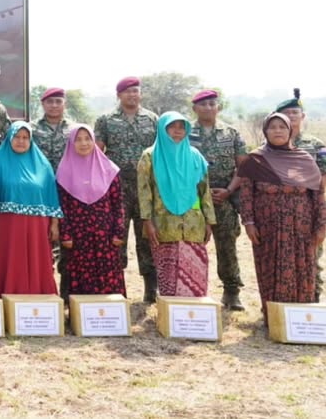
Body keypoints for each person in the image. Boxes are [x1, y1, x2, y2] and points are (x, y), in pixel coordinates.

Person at [236, 113, 326, 318]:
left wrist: (321, 226)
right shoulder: (255, 160)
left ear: (290, 131)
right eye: (273, 127)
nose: (277, 131)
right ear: (265, 131)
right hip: (267, 226)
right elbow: (246, 194)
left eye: (282, 127)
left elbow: (319, 196)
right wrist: (248, 222)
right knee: (269, 266)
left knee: (303, 266)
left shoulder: (305, 160)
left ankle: (300, 318)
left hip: (301, 226)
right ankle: (274, 316)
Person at [94, 76, 160, 302]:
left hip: (146, 188)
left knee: (148, 238)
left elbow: (160, 151)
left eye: (136, 91)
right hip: (117, 188)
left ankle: (151, 289)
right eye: (128, 91)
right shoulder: (106, 120)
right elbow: (98, 153)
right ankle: (115, 286)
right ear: (119, 95)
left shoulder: (153, 119)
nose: (132, 95)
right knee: (116, 237)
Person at [136, 112, 216, 298]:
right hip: (164, 224)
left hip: (193, 224)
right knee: (168, 273)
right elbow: (144, 192)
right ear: (162, 130)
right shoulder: (149, 156)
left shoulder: (195, 156)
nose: (178, 131)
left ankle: (194, 311)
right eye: (172, 127)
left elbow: (204, 191)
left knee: (194, 271)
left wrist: (209, 221)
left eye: (182, 127)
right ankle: (170, 311)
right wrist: (147, 222)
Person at [188, 89, 248, 310]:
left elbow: (243, 167)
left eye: (212, 104)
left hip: (223, 199)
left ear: (218, 107)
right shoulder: (184, 133)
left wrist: (229, 191)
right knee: (191, 245)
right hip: (192, 201)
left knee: (227, 247)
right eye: (203, 104)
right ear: (194, 108)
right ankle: (191, 290)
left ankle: (231, 292)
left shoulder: (231, 133)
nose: (208, 108)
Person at [0, 122, 62, 296]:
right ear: (9, 138)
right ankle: (9, 297)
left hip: (37, 226)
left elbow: (51, 196)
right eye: (17, 137)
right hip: (8, 226)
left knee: (38, 260)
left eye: (25, 138)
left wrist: (54, 224)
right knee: (12, 262)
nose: (21, 141)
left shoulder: (43, 165)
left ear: (31, 140)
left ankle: (39, 299)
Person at [55, 125, 125, 298]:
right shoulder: (63, 172)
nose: (83, 143)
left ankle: (109, 312)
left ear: (94, 141)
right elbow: (62, 207)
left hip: (105, 235)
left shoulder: (109, 170)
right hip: (78, 236)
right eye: (78, 139)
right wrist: (66, 234)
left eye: (87, 138)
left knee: (107, 273)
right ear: (71, 143)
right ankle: (82, 312)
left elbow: (117, 204)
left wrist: (118, 231)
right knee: (80, 275)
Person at [277, 88, 326, 302]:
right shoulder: (271, 145)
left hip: (308, 208)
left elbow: (325, 176)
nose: (291, 116)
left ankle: (313, 297)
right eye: (287, 113)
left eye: (295, 112)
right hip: (280, 211)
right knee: (282, 256)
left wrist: (307, 200)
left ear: (303, 116)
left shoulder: (316, 145)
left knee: (311, 254)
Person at [34, 87, 71, 172]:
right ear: (42, 104)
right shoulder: (31, 128)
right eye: (50, 101)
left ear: (65, 104)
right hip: (39, 176)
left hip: (66, 177)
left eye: (58, 101)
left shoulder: (74, 129)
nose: (54, 105)